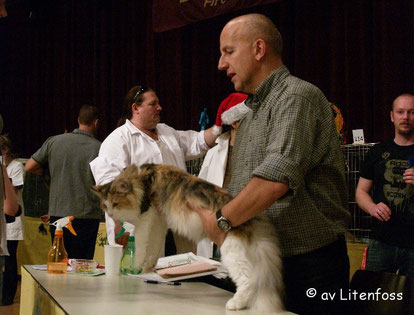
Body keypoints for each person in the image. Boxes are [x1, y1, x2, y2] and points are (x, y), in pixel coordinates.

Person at [192, 14, 350, 314]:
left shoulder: (297, 97)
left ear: (259, 49)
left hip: (308, 267)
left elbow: (274, 180)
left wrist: (222, 219)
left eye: (228, 52)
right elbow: (244, 187)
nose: (220, 64)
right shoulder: (249, 112)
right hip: (263, 259)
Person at [90, 85, 218, 254]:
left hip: (177, 227)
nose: (160, 108)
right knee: (143, 277)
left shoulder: (167, 132)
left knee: (181, 274)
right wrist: (119, 224)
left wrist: (221, 126)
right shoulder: (118, 140)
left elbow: (198, 141)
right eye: (153, 104)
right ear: (136, 108)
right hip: (140, 229)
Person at [24, 105, 102, 260]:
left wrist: (49, 172)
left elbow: (29, 166)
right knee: (82, 264)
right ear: (96, 123)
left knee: (60, 261)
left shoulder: (54, 142)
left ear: (78, 120)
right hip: (87, 215)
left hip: (58, 213)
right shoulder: (100, 148)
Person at [356, 93, 414, 277]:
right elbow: (361, 191)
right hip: (381, 241)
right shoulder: (377, 152)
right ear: (392, 116)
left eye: (412, 112)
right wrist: (372, 207)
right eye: (400, 112)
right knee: (373, 299)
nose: (405, 117)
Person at [196, 92, 248, 258]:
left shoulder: (255, 149)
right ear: (234, 122)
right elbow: (200, 189)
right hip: (216, 222)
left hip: (243, 222)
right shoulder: (215, 150)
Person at [0, 134, 25, 305]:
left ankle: (8, 296)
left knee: (9, 260)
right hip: (4, 220)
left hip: (12, 221)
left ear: (5, 150)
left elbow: (12, 191)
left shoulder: (16, 167)